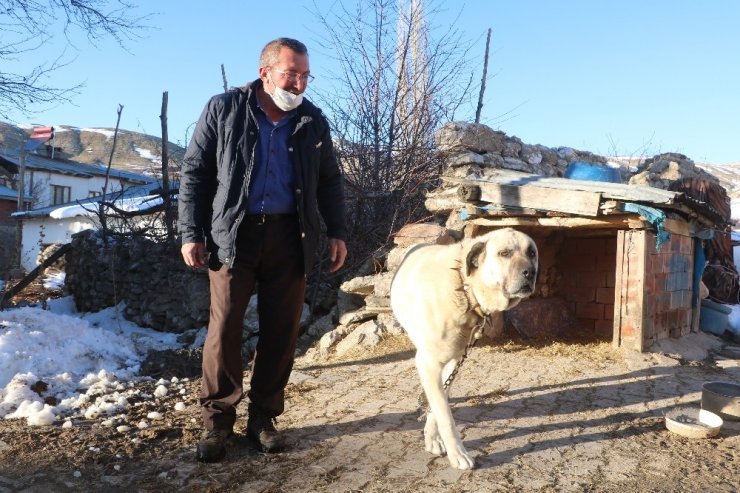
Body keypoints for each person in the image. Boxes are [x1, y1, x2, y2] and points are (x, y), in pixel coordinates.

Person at [178, 37, 347, 463]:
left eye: (305, 75)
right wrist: (190, 233)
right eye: (291, 73)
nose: (299, 83)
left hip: (293, 238)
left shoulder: (312, 120)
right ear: (265, 72)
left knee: (281, 331)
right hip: (233, 236)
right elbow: (195, 172)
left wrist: (338, 232)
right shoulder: (225, 108)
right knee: (225, 328)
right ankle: (218, 423)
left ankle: (263, 419)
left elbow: (330, 181)